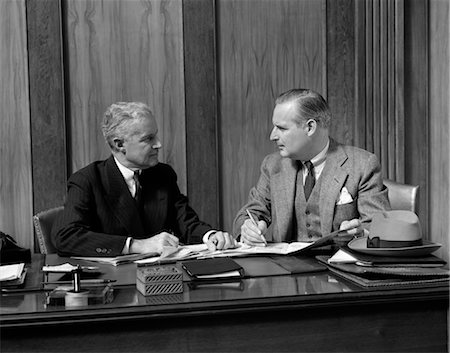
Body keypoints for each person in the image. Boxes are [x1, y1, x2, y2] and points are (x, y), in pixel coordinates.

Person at [52, 102, 234, 256]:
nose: (159, 144)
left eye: (156, 135)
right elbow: (65, 235)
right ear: (120, 144)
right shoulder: (88, 180)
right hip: (114, 287)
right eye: (149, 139)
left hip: (163, 282)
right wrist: (136, 245)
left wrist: (210, 235)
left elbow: (186, 222)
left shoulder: (163, 174)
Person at [233, 89, 390, 246]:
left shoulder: (363, 164)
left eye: (282, 128)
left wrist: (361, 233)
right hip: (284, 266)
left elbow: (379, 228)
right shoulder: (272, 165)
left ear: (310, 128)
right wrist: (248, 228)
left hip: (337, 267)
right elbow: (249, 214)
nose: (272, 136)